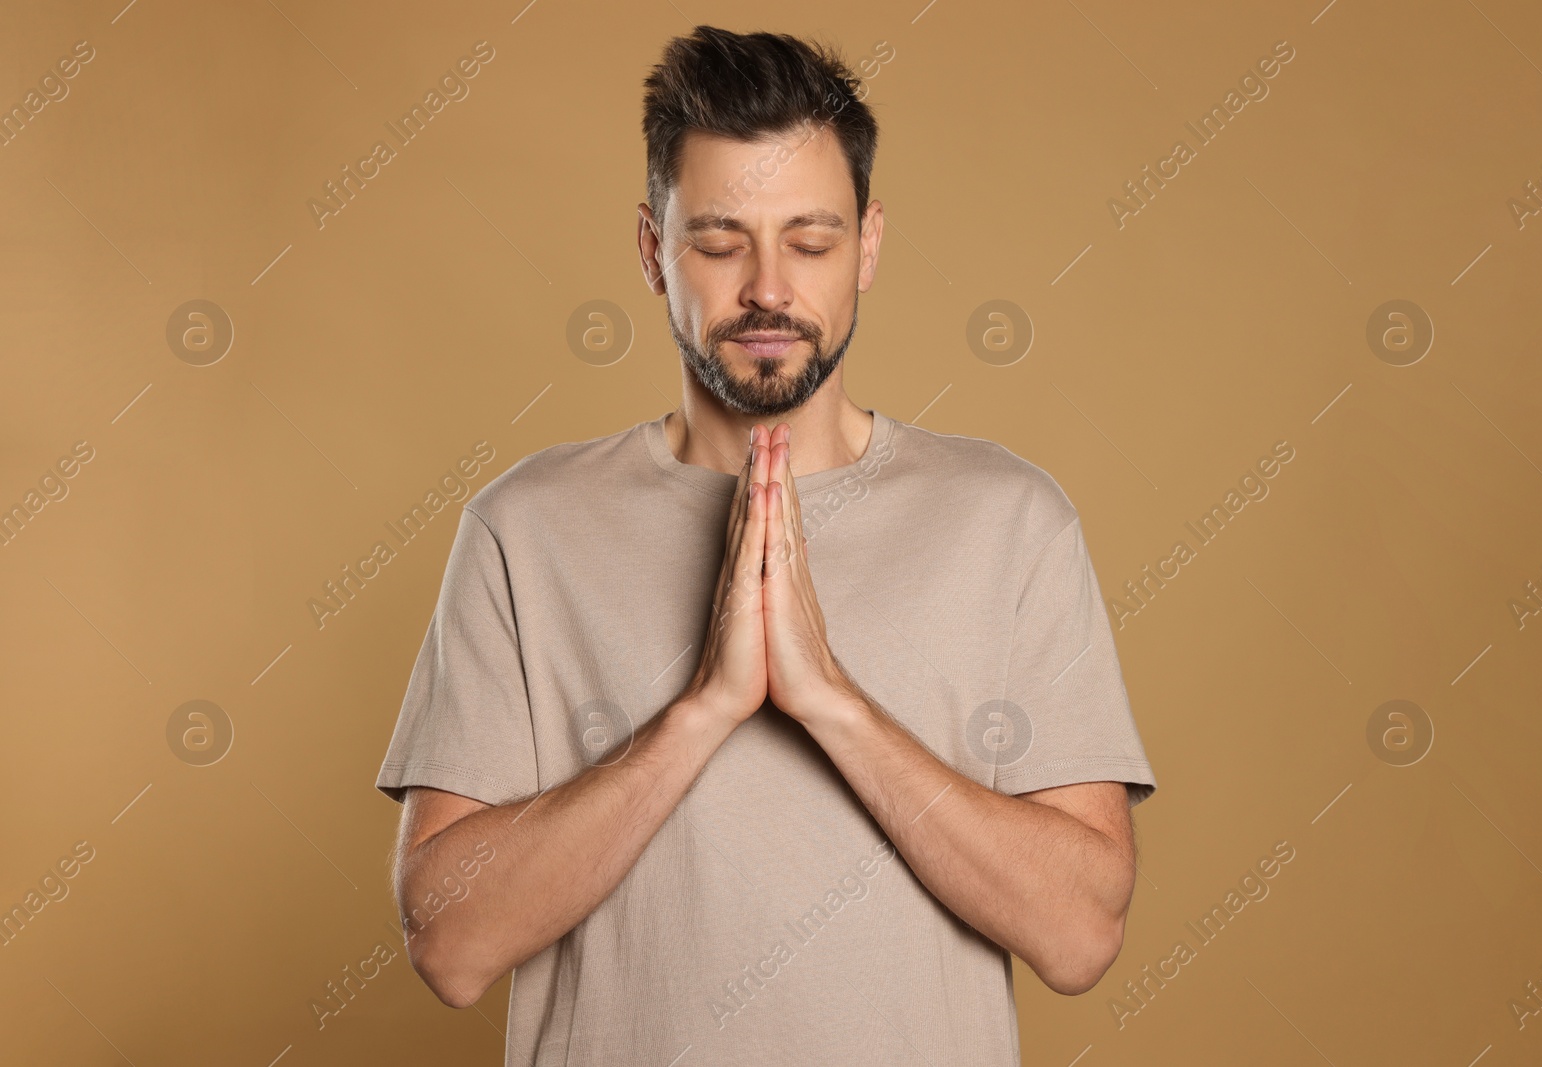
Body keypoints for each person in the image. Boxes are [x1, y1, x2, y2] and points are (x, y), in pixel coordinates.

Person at [375, 24, 1157, 1067]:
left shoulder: (1009, 520)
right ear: (654, 251)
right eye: (719, 238)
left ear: (868, 245)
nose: (767, 288)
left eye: (810, 239)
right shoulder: (525, 528)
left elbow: (1078, 934)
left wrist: (827, 695)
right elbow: (450, 944)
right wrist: (704, 707)